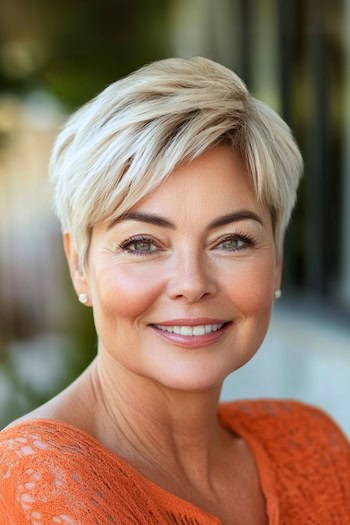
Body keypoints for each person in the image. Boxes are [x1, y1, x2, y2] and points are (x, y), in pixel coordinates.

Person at [0, 57, 349, 525]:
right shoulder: (35, 486)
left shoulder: (314, 447)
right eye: (142, 244)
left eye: (232, 241)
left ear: (277, 260)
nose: (192, 284)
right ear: (79, 265)